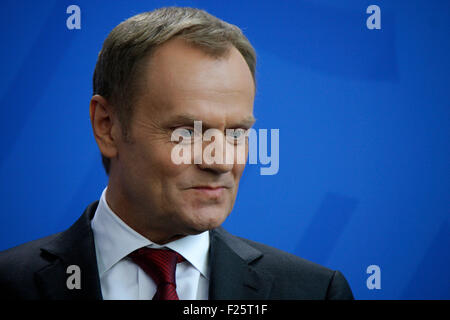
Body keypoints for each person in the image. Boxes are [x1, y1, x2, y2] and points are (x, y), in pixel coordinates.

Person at [0, 7, 353, 300]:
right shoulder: (11, 283)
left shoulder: (314, 292)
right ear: (107, 126)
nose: (221, 161)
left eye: (236, 133)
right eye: (187, 132)